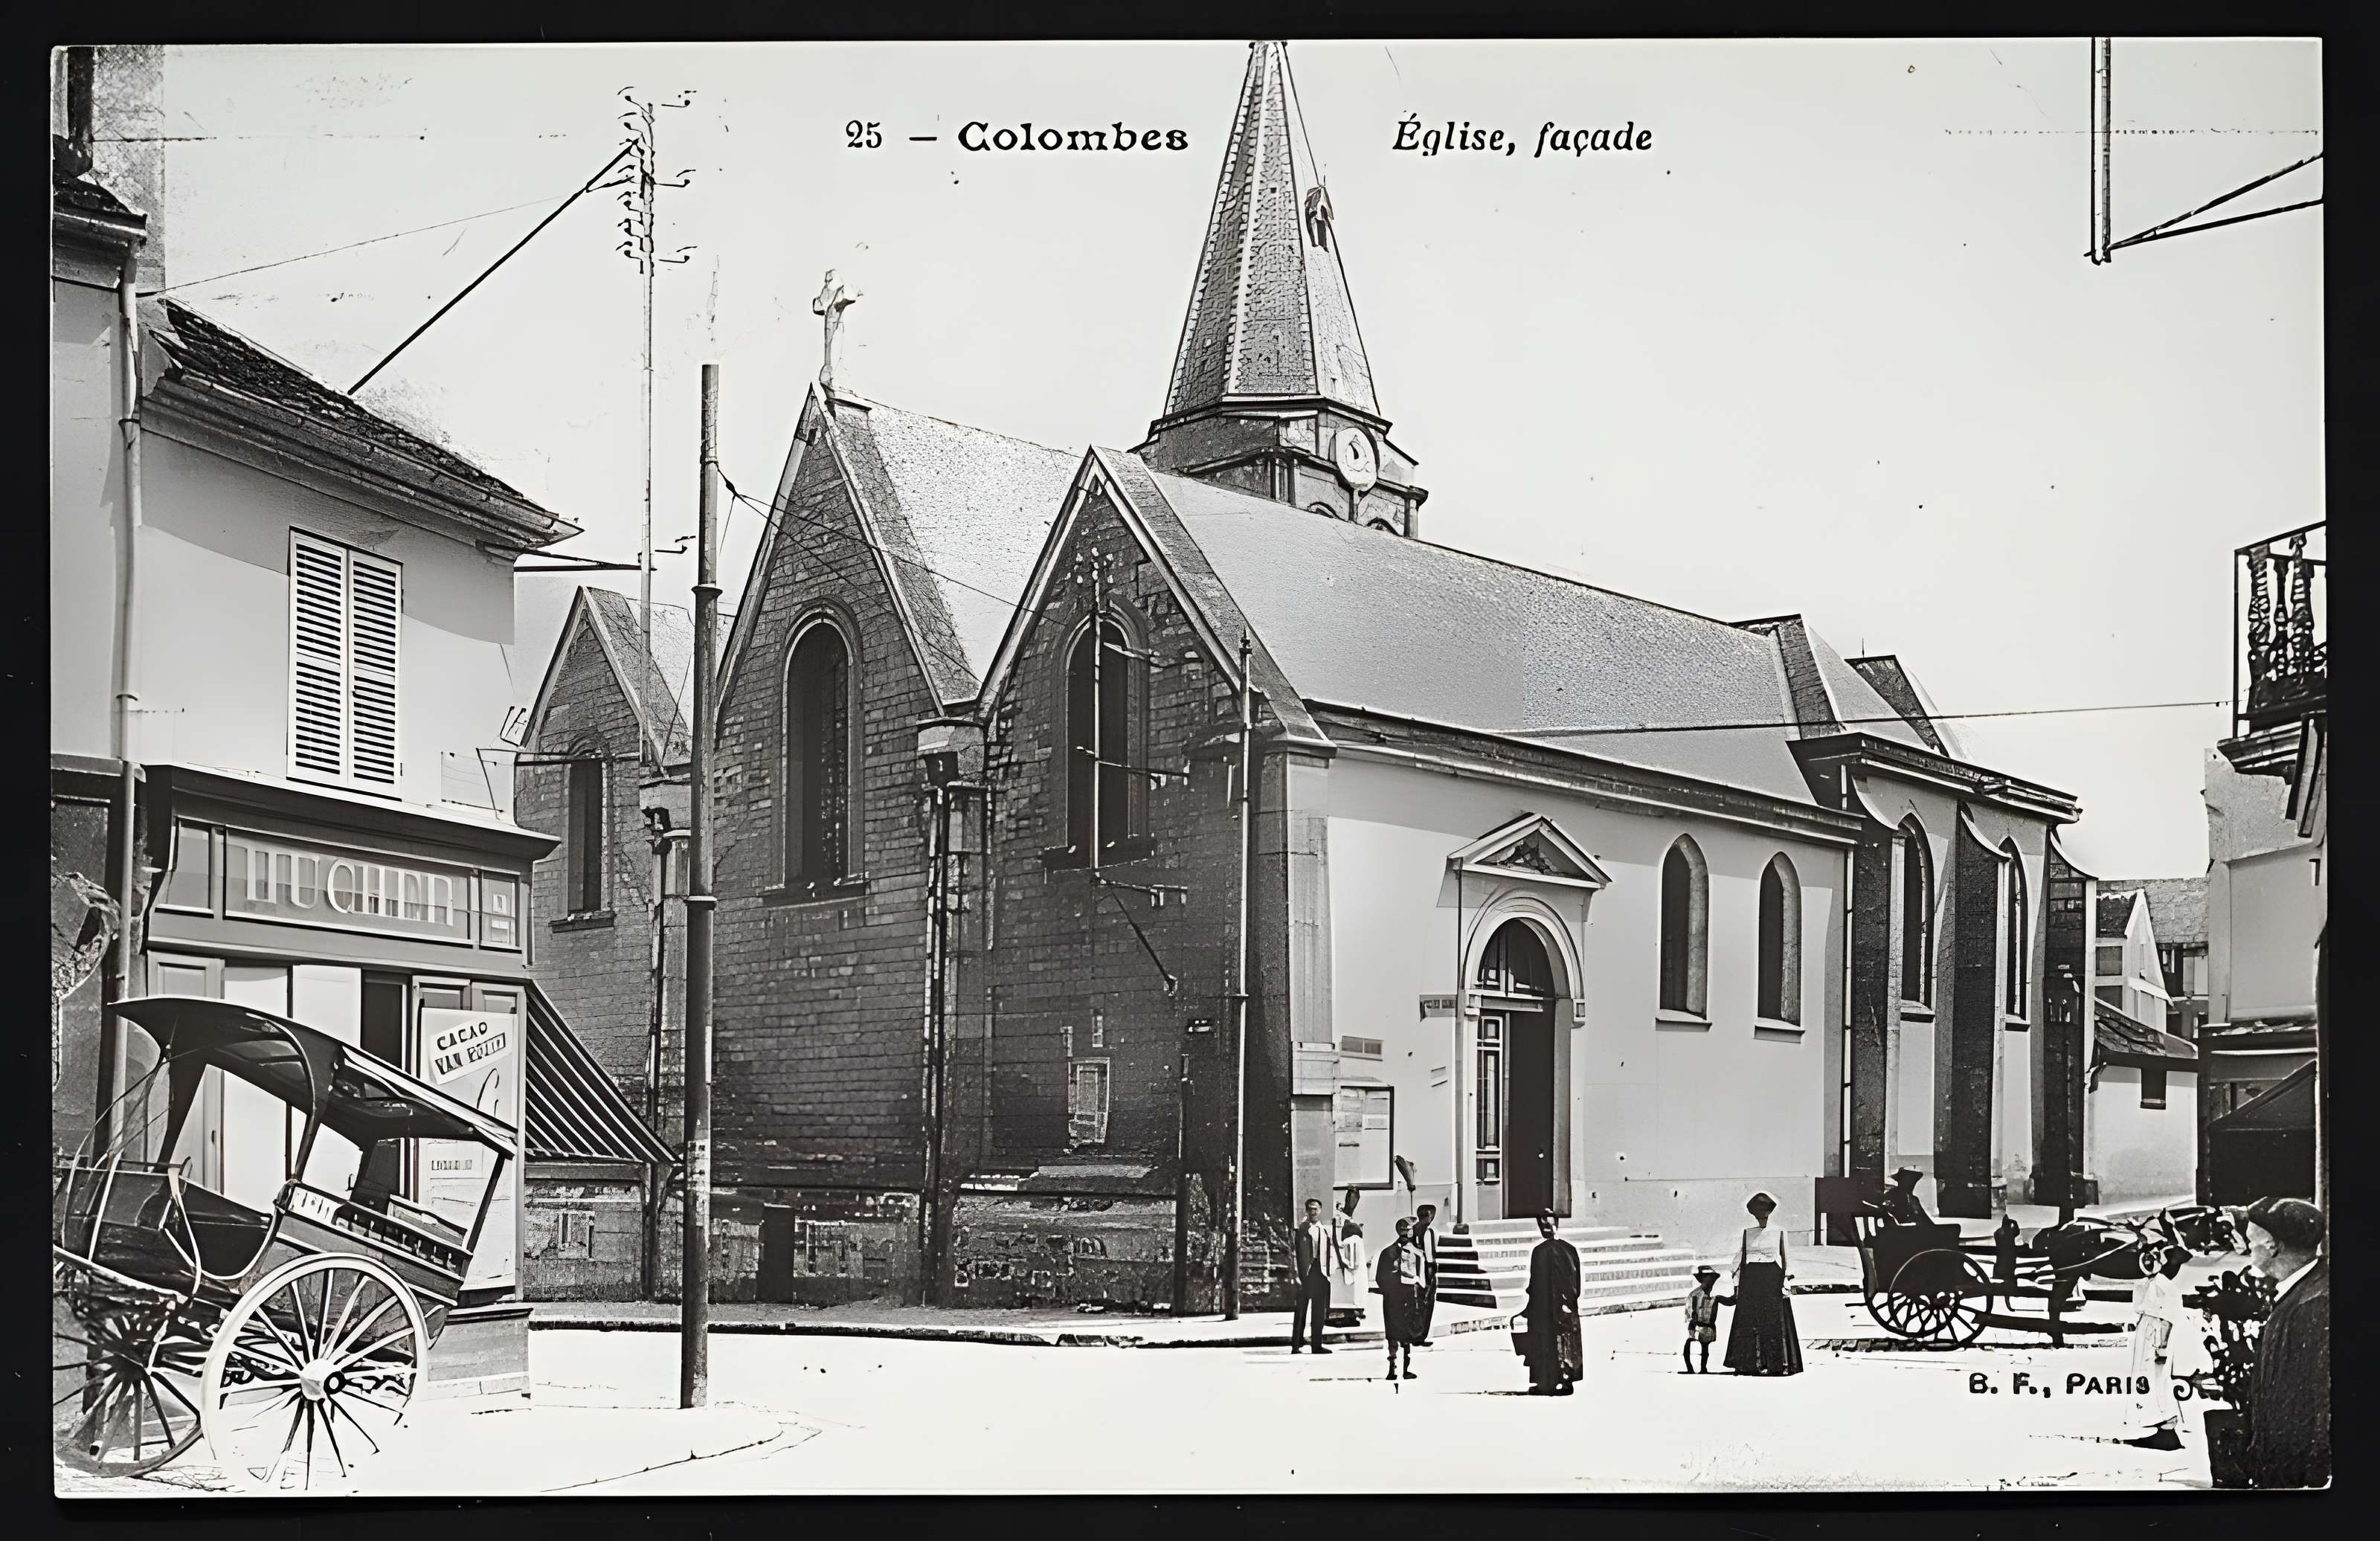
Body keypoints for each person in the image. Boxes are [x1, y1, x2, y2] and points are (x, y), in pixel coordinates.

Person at [2240, 1196, 2328, 1487]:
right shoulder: (2307, 1291)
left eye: (2251, 1242)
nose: (2247, 1250)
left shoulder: (2314, 1305)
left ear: (2272, 1246)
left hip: (2297, 1482)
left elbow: (2321, 1404)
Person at [1723, 1191, 1804, 1376]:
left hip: (1771, 1278)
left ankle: (1777, 1364)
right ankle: (1749, 1364)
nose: (1762, 1216)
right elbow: (1739, 1260)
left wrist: (1787, 1281)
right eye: (1758, 1212)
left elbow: (1786, 1258)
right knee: (1750, 1320)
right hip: (1751, 1279)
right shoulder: (1748, 1233)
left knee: (1773, 1322)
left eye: (1765, 1211)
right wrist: (1736, 1283)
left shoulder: (1779, 1232)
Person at [2120, 1240, 2189, 1450]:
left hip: (2158, 1335)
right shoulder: (2144, 1284)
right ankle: (2155, 1424)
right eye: (2146, 1259)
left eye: (2153, 1259)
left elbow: (2168, 1318)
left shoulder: (2166, 1287)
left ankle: (2168, 1429)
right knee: (2146, 1378)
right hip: (2146, 1333)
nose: (2148, 1262)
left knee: (2160, 1380)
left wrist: (2162, 1346)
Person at [1519, 1211, 1582, 1395]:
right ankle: (1562, 1380)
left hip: (1548, 1307)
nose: (1545, 1228)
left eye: (1547, 1224)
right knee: (1559, 1341)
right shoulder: (1567, 1250)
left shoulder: (1542, 1252)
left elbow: (1536, 1283)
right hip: (1561, 1306)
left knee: (1548, 1342)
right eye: (1543, 1224)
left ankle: (1551, 1381)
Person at [1375, 1217, 1427, 1380]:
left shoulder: (1418, 1253)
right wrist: (1389, 1291)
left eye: (1409, 1230)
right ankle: (1393, 1368)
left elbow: (1422, 1278)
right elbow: (1380, 1277)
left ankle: (1406, 1368)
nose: (1407, 1234)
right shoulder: (1388, 1252)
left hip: (1410, 1295)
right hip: (1393, 1296)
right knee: (1392, 1332)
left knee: (1408, 1331)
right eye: (1405, 1230)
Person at [1290, 1198, 1337, 1354]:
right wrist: (1297, 1275)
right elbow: (1294, 1254)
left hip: (1321, 1273)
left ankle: (1317, 1345)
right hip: (1306, 1274)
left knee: (1319, 1312)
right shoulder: (1302, 1229)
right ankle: (1296, 1345)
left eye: (1316, 1209)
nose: (1313, 1212)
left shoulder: (1324, 1230)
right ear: (1307, 1211)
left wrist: (1329, 1272)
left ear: (1320, 1210)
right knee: (1301, 1310)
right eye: (1310, 1209)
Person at [1328, 1188, 1367, 1325]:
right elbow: (1335, 1237)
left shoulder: (1349, 1221)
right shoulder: (1338, 1220)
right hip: (1339, 1258)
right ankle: (1339, 1315)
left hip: (1350, 1258)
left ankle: (1352, 1314)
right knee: (1340, 1288)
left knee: (1353, 1287)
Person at [1409, 1203, 1441, 1346]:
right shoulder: (1428, 1232)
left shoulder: (1413, 1230)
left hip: (1414, 1271)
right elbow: (1430, 1255)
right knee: (1427, 1303)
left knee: (1416, 1304)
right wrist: (1432, 1272)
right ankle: (1421, 1335)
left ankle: (1415, 1334)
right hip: (1426, 1269)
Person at [1683, 1265, 1723, 1374]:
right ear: (1703, 1280)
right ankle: (1690, 1368)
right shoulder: (1696, 1294)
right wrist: (1695, 1320)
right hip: (1697, 1324)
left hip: (1706, 1325)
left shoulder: (1711, 1295)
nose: (1711, 1282)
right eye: (1708, 1279)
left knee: (1705, 1347)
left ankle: (1703, 1368)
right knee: (1691, 1342)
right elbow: (1691, 1311)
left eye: (1712, 1280)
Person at [1865, 1167, 1932, 1226]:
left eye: (1913, 1182)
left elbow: (1925, 1219)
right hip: (1899, 1231)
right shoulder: (1891, 1195)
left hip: (1912, 1230)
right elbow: (1888, 1211)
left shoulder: (1914, 1199)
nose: (1912, 1184)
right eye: (1909, 1181)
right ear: (1902, 1181)